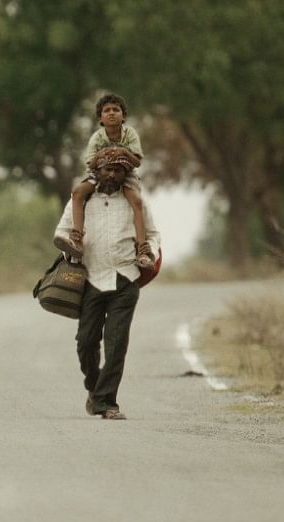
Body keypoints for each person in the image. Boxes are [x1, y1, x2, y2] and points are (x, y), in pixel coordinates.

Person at [53, 147, 161, 420]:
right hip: (90, 278)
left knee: (116, 343)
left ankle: (107, 403)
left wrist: (149, 252)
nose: (112, 174)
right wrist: (71, 250)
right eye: (107, 169)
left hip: (126, 279)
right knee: (85, 342)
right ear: (97, 171)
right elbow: (62, 233)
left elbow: (153, 234)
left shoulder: (135, 200)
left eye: (118, 170)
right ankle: (95, 388)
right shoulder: (83, 200)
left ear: (125, 173)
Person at [54, 93, 153, 268]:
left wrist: (124, 153)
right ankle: (76, 238)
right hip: (100, 171)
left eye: (116, 110)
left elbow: (137, 161)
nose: (112, 113)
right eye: (107, 110)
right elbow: (90, 165)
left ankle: (142, 250)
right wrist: (99, 156)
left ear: (124, 116)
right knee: (77, 192)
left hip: (126, 171)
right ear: (100, 118)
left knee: (137, 201)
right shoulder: (97, 137)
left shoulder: (130, 134)